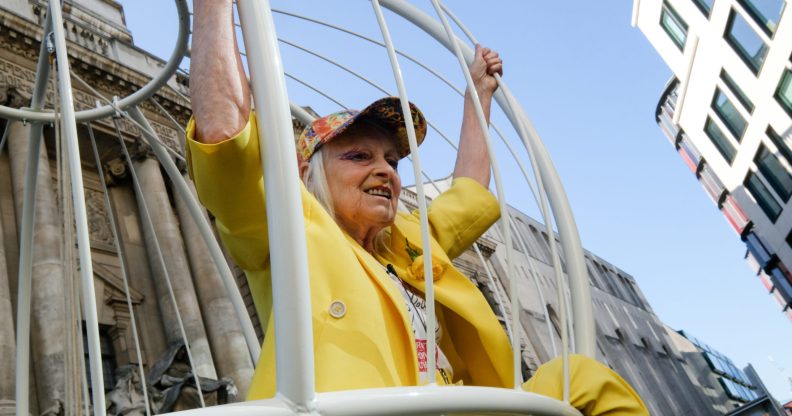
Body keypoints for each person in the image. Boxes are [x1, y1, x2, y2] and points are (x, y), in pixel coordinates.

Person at [188, 1, 649, 415]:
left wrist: (477, 94)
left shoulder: (409, 242)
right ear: (307, 173)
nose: (386, 171)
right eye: (359, 156)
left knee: (582, 378)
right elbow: (225, 140)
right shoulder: (286, 230)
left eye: (391, 160)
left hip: (458, 403)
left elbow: (468, 189)